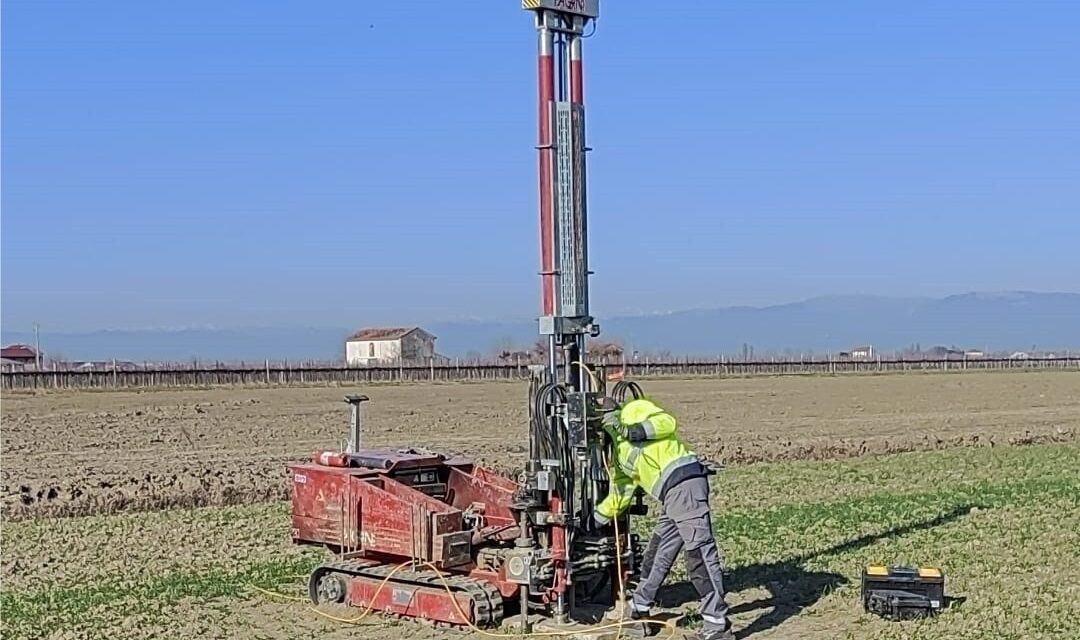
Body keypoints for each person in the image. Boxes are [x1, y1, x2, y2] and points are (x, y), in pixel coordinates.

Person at [592, 396, 734, 640]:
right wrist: (595, 519)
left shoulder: (634, 410)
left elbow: (667, 422)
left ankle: (717, 625)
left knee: (698, 555)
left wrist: (632, 429)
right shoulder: (618, 455)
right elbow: (622, 493)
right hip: (671, 496)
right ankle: (638, 611)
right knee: (658, 551)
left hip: (685, 483)